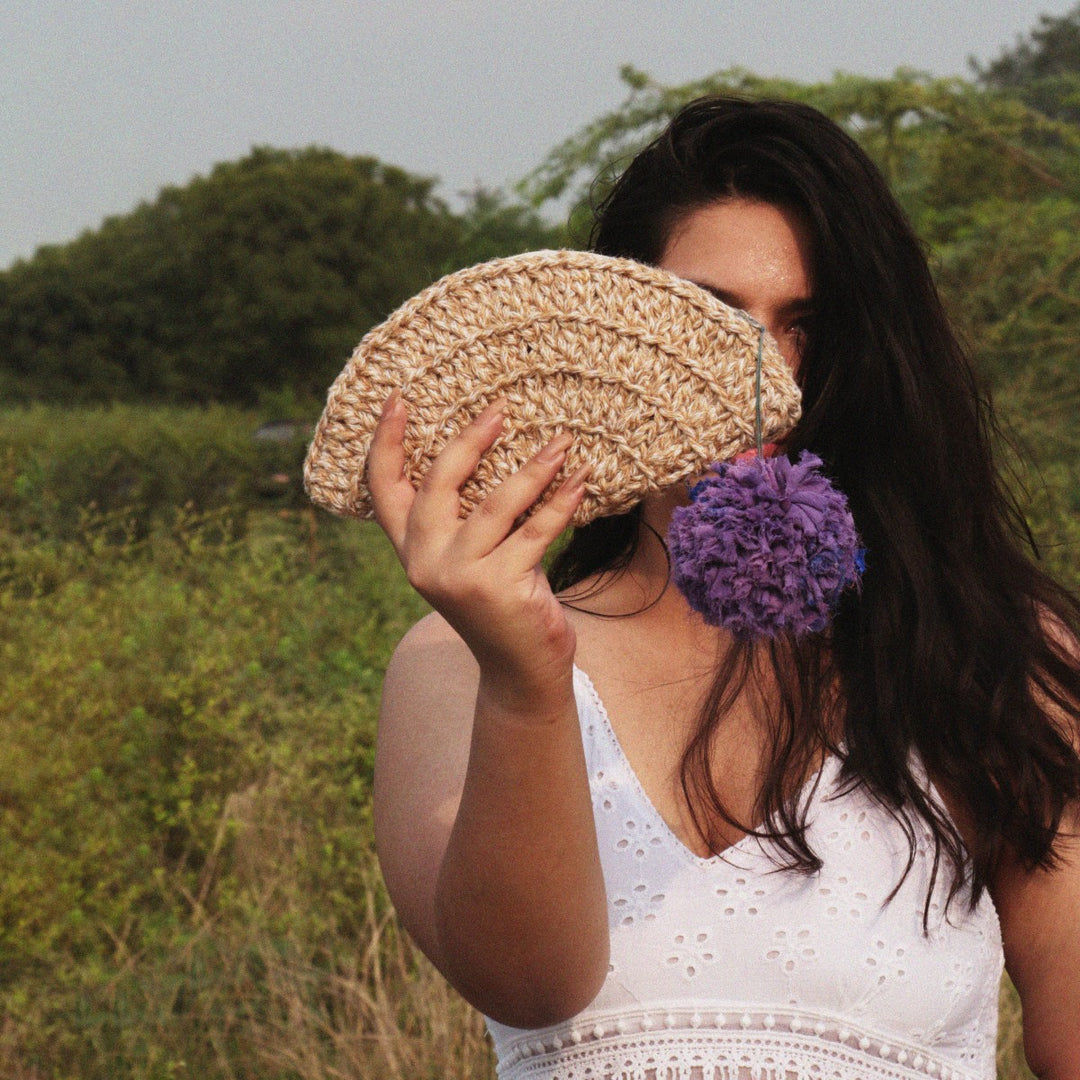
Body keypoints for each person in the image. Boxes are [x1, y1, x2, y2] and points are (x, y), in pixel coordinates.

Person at [368, 97, 1080, 1079]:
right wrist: (526, 679)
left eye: (805, 324)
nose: (763, 378)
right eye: (708, 315)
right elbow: (526, 985)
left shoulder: (993, 652)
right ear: (616, 342)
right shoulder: (458, 664)